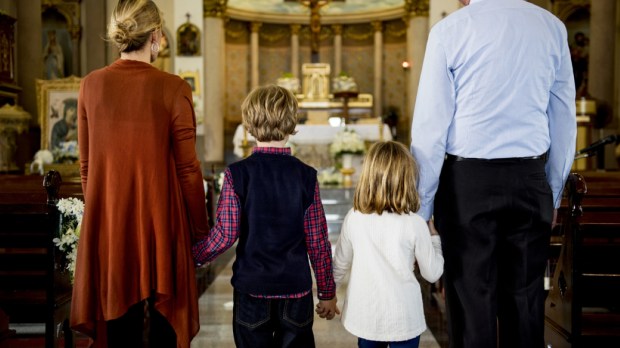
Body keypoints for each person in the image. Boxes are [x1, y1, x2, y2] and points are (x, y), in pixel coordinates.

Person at [410, 1, 577, 347]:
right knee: (526, 299)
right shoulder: (551, 27)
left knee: (471, 297)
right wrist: (554, 190)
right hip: (530, 177)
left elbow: (431, 127)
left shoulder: (450, 30)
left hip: (466, 184)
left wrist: (422, 207)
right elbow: (563, 119)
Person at [71, 0, 208, 347]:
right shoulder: (174, 87)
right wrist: (199, 228)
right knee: (164, 325)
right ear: (157, 37)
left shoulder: (90, 85)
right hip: (162, 223)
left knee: (119, 325)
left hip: (111, 224)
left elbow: (87, 167)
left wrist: (101, 217)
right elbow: (189, 170)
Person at [192, 84, 339, 348]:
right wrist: (327, 292)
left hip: (252, 288)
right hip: (296, 289)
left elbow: (225, 235)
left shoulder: (237, 175)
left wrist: (192, 257)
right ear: (292, 122)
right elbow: (317, 241)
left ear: (248, 124)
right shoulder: (306, 176)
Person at [332, 141, 444, 348]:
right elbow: (432, 273)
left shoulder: (354, 217)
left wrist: (328, 297)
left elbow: (339, 263)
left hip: (366, 315)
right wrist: (435, 239)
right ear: (407, 179)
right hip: (404, 318)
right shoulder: (415, 223)